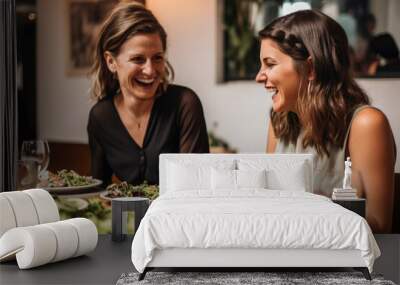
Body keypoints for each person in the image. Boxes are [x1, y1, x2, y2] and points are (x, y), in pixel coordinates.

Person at [255, 10, 396, 233]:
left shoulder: (367, 124)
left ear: (310, 68)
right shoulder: (279, 122)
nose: (259, 76)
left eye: (270, 64)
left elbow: (379, 227)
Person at [87, 2, 209, 187]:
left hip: (180, 215)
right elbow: (98, 190)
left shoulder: (185, 104)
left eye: (157, 58)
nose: (150, 70)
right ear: (111, 61)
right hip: (127, 216)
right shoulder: (101, 117)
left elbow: (195, 187)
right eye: (138, 59)